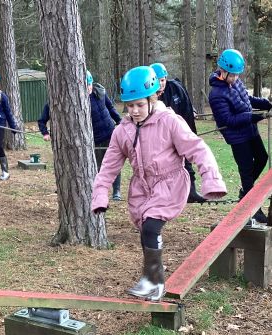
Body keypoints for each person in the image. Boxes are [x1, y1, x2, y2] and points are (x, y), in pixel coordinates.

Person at [92, 66, 227, 301]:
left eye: (139, 105)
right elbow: (108, 167)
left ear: (152, 98)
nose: (134, 111)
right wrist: (100, 195)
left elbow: (198, 149)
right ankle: (149, 279)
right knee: (146, 231)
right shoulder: (122, 131)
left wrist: (211, 180)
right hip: (141, 189)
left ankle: (155, 282)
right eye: (129, 106)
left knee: (151, 227)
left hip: (170, 183)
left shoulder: (170, 122)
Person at [208, 49, 272, 223]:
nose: (235, 78)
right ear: (222, 71)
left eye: (237, 75)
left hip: (250, 130)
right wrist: (255, 116)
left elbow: (247, 99)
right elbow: (228, 120)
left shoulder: (236, 83)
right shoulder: (216, 94)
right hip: (237, 137)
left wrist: (267, 104)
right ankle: (252, 208)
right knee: (246, 170)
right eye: (232, 75)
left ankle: (245, 191)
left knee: (262, 157)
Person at [38, 71, 123, 199]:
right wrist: (45, 132)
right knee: (96, 167)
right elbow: (43, 119)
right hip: (93, 140)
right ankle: (97, 192)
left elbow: (110, 108)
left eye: (89, 84)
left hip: (109, 133)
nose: (88, 88)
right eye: (85, 85)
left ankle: (116, 191)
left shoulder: (99, 92)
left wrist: (120, 121)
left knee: (113, 163)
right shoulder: (73, 100)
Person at [150, 62, 205, 203]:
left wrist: (191, 114)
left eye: (162, 80)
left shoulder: (175, 88)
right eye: (157, 81)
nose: (160, 84)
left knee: (187, 161)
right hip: (162, 139)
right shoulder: (149, 96)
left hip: (181, 132)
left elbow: (185, 103)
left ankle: (191, 191)